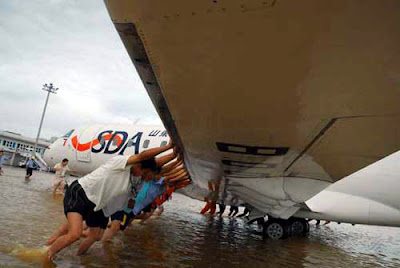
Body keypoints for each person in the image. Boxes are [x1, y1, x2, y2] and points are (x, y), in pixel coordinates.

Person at [45, 141, 175, 261]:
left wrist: (176, 156)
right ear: (137, 164)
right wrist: (169, 148)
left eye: (146, 174)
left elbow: (159, 167)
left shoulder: (138, 178)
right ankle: (45, 255)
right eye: (143, 172)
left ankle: (78, 259)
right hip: (81, 192)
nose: (143, 176)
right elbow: (144, 156)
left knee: (95, 236)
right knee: (75, 233)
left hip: (99, 203)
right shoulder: (121, 162)